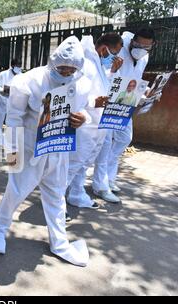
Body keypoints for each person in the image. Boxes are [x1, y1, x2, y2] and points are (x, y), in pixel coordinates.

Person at [0, 36, 91, 267]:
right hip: (29, 148)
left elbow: (84, 109)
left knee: (56, 196)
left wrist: (82, 118)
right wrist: (11, 154)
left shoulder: (81, 82)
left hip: (59, 149)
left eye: (70, 70)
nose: (65, 73)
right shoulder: (30, 80)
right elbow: (13, 118)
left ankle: (60, 242)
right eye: (61, 68)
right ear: (53, 62)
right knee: (16, 191)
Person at [92, 28, 154, 203]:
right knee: (105, 144)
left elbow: (136, 79)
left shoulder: (144, 58)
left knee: (124, 139)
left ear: (152, 46)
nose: (141, 48)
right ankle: (101, 186)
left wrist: (146, 91)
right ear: (132, 41)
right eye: (138, 44)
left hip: (126, 102)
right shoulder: (119, 49)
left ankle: (109, 178)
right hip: (109, 101)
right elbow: (106, 73)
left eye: (146, 46)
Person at [66, 33, 124, 213]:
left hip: (97, 124)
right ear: (104, 48)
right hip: (84, 124)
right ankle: (55, 204)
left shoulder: (97, 63)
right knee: (72, 165)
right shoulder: (85, 63)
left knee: (84, 164)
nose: (115, 57)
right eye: (114, 53)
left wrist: (113, 72)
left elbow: (102, 86)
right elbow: (74, 91)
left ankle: (76, 194)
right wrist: (93, 102)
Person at [0, 58, 22, 146]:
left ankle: (10, 139)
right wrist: (0, 90)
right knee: (0, 118)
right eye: (17, 66)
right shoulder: (3, 74)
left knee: (12, 120)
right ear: (12, 66)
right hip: (2, 99)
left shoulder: (21, 75)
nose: (19, 68)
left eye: (20, 66)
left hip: (14, 101)